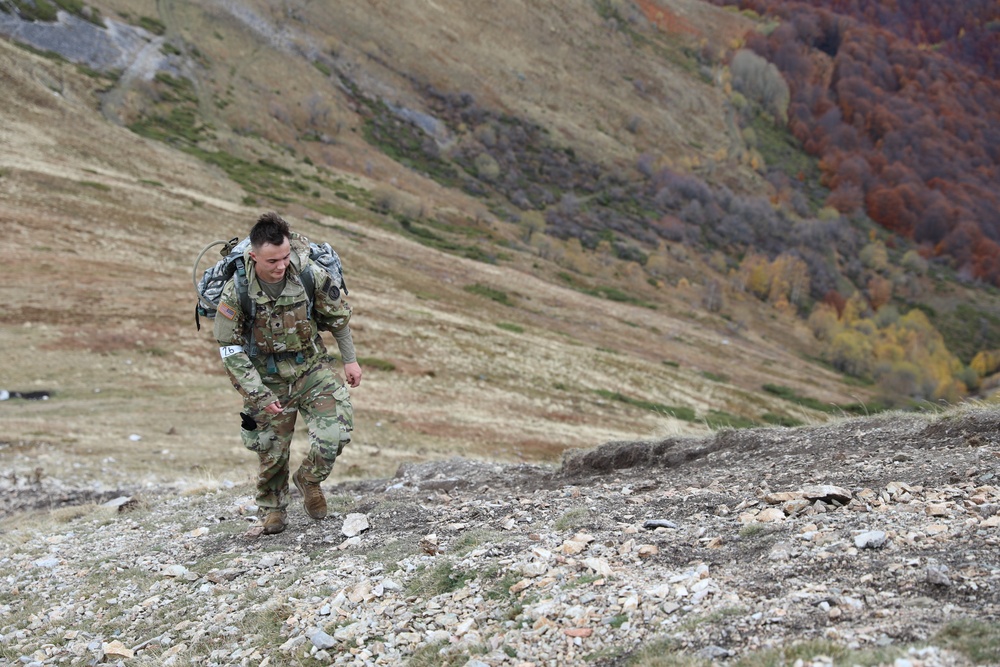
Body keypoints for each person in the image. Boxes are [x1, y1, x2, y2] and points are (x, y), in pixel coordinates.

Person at [214, 212, 362, 535]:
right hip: (264, 377)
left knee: (335, 432)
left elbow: (337, 319)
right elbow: (229, 349)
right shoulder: (235, 292)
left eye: (284, 257)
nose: (281, 266)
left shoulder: (308, 274)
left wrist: (350, 360)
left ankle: (309, 479)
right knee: (271, 448)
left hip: (310, 367)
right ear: (253, 257)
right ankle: (273, 509)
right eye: (272, 261)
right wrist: (258, 393)